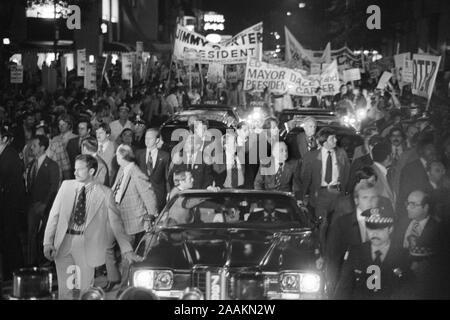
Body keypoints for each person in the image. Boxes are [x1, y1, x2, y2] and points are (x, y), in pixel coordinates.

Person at [43, 155, 142, 300]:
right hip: (63, 242)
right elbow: (54, 216)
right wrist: (47, 242)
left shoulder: (105, 193)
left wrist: (127, 250)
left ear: (91, 171)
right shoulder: (66, 186)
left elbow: (116, 225)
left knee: (85, 291)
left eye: (79, 169)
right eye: (74, 169)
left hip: (86, 245)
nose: (75, 173)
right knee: (65, 292)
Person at [334, 206, 413, 299]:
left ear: (390, 229)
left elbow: (408, 290)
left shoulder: (402, 255)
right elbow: (343, 289)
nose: (375, 234)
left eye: (380, 229)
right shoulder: (355, 252)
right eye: (371, 229)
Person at [300, 127, 350, 249]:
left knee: (337, 226)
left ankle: (335, 250)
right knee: (322, 225)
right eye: (332, 138)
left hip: (337, 193)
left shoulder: (341, 154)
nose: (336, 140)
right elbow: (305, 178)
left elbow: (347, 172)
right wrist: (302, 197)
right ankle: (322, 252)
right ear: (324, 141)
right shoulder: (311, 156)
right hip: (320, 194)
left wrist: (345, 192)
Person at [326, 181, 381, 293]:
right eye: (365, 197)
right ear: (356, 200)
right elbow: (333, 258)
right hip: (351, 287)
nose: (370, 202)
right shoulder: (341, 224)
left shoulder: (384, 224)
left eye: (373, 198)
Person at [26, 135, 60, 265]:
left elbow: (53, 188)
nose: (31, 148)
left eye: (34, 146)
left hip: (45, 207)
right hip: (32, 205)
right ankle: (32, 264)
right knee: (31, 237)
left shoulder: (52, 165)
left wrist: (45, 205)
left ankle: (44, 263)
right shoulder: (31, 165)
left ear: (42, 147)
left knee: (43, 237)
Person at [0, 126, 26, 280]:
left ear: (4, 139)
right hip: (4, 205)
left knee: (11, 239)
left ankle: (16, 272)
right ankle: (10, 271)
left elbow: (14, 183)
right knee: (6, 239)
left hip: (10, 205)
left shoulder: (10, 155)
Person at [397, 134, 437, 222]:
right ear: (421, 151)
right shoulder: (410, 170)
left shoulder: (438, 165)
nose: (433, 151)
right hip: (418, 219)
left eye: (434, 148)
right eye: (429, 149)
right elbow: (404, 198)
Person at [136, 128, 170, 213]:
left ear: (157, 140)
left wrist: (169, 193)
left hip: (159, 197)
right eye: (146, 138)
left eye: (150, 138)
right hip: (142, 197)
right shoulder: (138, 154)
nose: (147, 141)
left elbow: (167, 178)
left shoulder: (165, 156)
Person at [371, 142, 395, 207]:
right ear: (388, 157)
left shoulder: (382, 171)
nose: (393, 156)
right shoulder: (373, 174)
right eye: (392, 154)